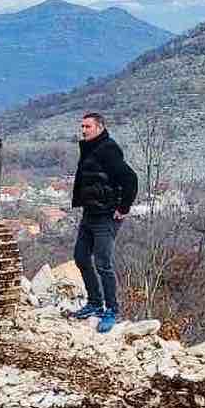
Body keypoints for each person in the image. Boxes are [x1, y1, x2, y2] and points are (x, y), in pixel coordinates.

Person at [70, 111, 138, 334]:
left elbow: (130, 178)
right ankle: (94, 303)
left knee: (103, 263)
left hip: (107, 216)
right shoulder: (90, 148)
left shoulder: (108, 149)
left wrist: (123, 208)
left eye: (88, 126)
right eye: (82, 126)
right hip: (90, 213)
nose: (83, 130)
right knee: (81, 257)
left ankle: (111, 309)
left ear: (99, 128)